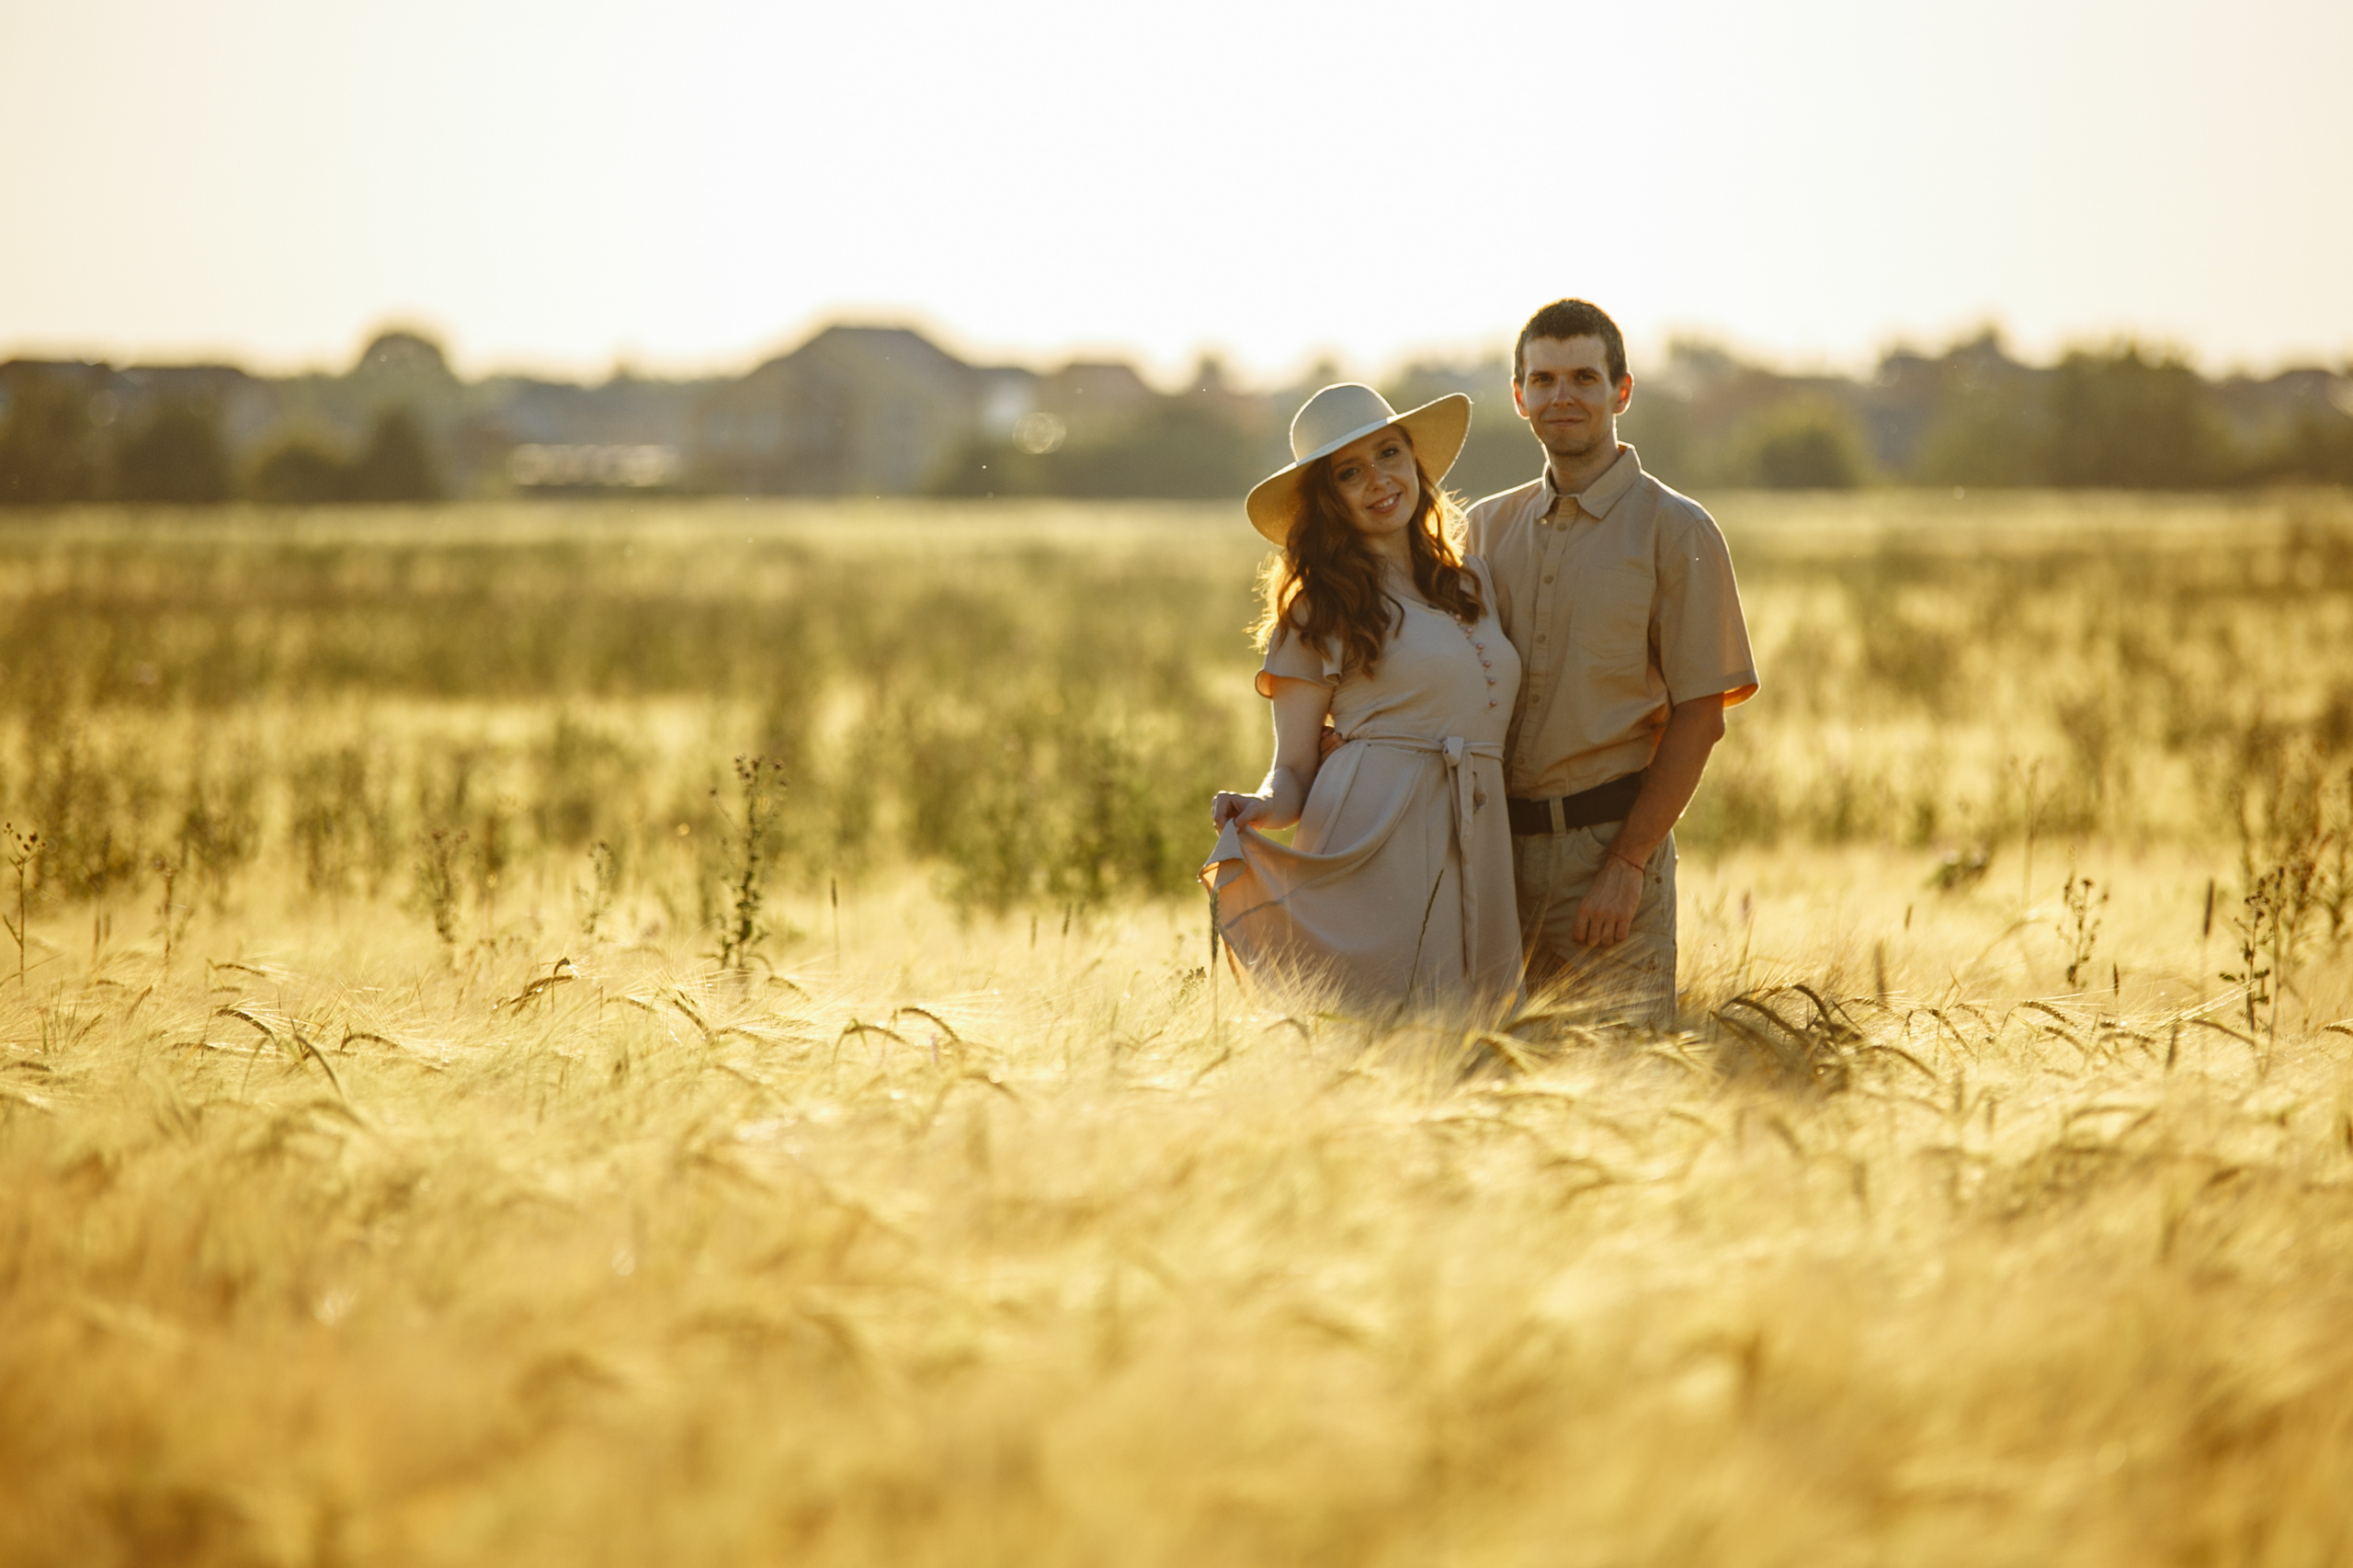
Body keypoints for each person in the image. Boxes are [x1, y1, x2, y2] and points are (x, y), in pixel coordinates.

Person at [1466, 299, 1759, 1027]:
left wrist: (1627, 866)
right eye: (1543, 380)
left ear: (1620, 391)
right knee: (1496, 1096)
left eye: (1584, 378)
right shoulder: (1482, 530)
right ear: (1519, 396)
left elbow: (1701, 719)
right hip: (1491, 858)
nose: (1561, 396)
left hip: (1607, 856)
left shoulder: (1677, 529)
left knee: (1625, 1095)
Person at [1201, 383, 1522, 1014]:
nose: (1378, 480)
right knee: (1395, 1032)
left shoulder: (1473, 581)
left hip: (1479, 834)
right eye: (1350, 472)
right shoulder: (1317, 606)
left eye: (1389, 454)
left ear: (1415, 463)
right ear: (1329, 501)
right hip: (1379, 836)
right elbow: (1293, 767)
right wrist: (1260, 806)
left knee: (1482, 1039)